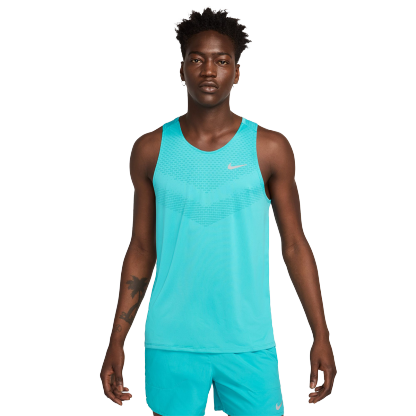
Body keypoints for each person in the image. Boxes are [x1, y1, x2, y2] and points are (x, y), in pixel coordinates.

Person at [100, 6, 337, 416]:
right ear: (182, 69)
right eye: (197, 59)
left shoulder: (269, 149)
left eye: (222, 61)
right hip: (172, 342)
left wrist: (321, 335)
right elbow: (141, 248)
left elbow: (295, 245)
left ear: (237, 72)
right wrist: (116, 340)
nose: (209, 70)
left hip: (248, 341)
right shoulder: (150, 150)